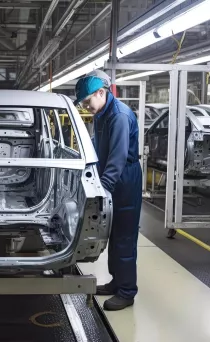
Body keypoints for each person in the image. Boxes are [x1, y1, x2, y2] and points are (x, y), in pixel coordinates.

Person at [73, 70, 142, 311]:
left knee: (124, 237)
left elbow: (118, 157)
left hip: (125, 180)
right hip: (111, 177)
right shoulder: (102, 113)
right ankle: (117, 282)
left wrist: (104, 190)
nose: (86, 106)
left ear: (101, 93)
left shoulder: (119, 115)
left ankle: (127, 291)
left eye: (87, 101)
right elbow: (96, 144)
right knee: (113, 235)